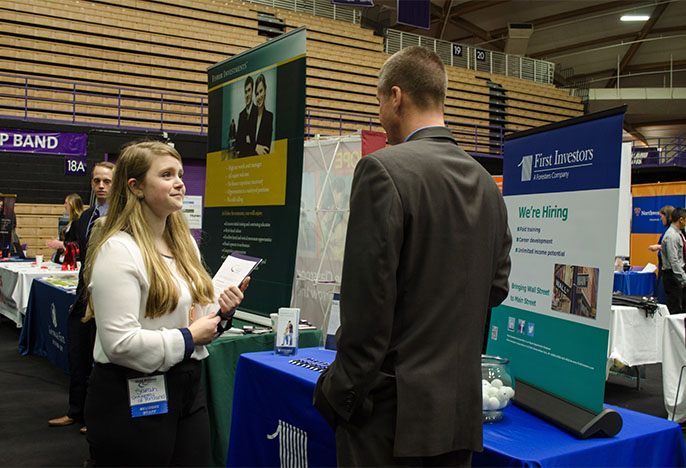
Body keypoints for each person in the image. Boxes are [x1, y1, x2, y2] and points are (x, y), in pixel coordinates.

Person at [313, 46, 512, 467]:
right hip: (458, 411)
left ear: (396, 97)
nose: (381, 114)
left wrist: (338, 395)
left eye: (379, 101)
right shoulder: (485, 183)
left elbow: (368, 305)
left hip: (389, 415)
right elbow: (495, 289)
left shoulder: (382, 169)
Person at [82, 141, 249, 466]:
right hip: (129, 393)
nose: (180, 183)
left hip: (186, 385)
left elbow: (194, 315)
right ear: (136, 187)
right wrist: (188, 337)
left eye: (180, 174)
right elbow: (119, 343)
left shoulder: (184, 242)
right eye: (167, 175)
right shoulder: (118, 250)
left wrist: (221, 312)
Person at [48, 162, 114, 434]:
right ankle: (75, 411)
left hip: (108, 298)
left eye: (107, 181)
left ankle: (94, 417)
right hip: (82, 295)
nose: (101, 185)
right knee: (77, 356)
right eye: (96, 180)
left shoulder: (123, 217)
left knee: (100, 362)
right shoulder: (85, 218)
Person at [661, 207, 686, 314]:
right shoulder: (671, 236)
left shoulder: (679, 234)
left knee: (681, 307)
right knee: (675, 308)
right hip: (673, 276)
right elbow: (674, 260)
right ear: (681, 219)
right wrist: (683, 278)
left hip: (678, 274)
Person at [46, 193, 85, 261]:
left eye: (66, 203)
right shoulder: (72, 221)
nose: (64, 205)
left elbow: (79, 244)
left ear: (72, 204)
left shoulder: (78, 222)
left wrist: (60, 244)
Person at [648, 205, 674, 302]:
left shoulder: (672, 232)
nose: (660, 218)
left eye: (662, 216)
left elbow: (672, 246)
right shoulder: (666, 231)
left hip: (668, 269)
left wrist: (658, 247)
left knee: (663, 295)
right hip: (662, 265)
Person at [235, 76, 257, 158]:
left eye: (249, 91)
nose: (247, 94)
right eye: (245, 92)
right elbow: (239, 137)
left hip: (254, 155)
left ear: (252, 92)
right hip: (243, 155)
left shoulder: (257, 111)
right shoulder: (242, 115)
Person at [252, 74, 273, 156]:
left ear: (265, 91)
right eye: (256, 94)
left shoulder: (269, 117)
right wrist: (255, 147)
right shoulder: (249, 117)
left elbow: (266, 149)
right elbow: (241, 144)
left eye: (261, 91)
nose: (259, 96)